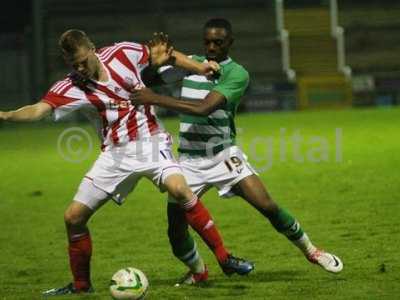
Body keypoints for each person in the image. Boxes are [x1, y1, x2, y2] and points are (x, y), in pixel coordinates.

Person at [0, 29, 254, 296]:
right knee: (73, 217)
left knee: (181, 190)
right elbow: (38, 109)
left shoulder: (123, 52)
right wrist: (6, 115)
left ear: (93, 49)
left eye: (83, 61)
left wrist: (201, 67)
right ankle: (81, 286)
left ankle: (224, 258)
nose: (79, 68)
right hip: (114, 155)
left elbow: (166, 56)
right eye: (73, 64)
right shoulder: (71, 86)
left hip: (151, 142)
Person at [131, 18, 343, 285]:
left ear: (229, 43)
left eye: (217, 43)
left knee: (267, 205)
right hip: (188, 161)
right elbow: (149, 79)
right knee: (175, 231)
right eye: (207, 42)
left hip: (223, 155)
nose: (211, 47)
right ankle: (198, 271)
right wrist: (157, 64)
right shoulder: (191, 64)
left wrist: (156, 99)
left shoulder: (237, 74)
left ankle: (312, 251)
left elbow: (203, 108)